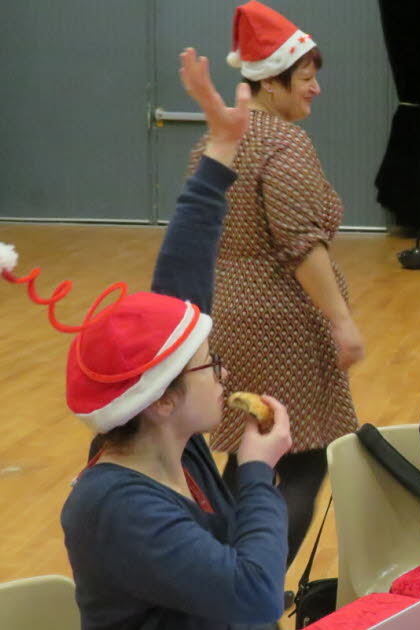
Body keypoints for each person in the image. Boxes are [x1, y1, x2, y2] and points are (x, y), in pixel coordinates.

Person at [0, 50, 292, 630]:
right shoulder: (117, 507)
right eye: (210, 366)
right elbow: (256, 596)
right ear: (161, 399)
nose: (224, 375)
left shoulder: (172, 443)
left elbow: (181, 289)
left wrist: (221, 152)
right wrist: (257, 470)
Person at [197, 0, 364, 567]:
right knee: (301, 457)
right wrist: (342, 322)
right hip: (283, 326)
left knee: (247, 451)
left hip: (228, 316)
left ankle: (218, 577)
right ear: (271, 82)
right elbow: (301, 247)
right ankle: (254, 584)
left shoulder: (219, 139)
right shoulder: (284, 144)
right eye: (306, 77)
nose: (316, 88)